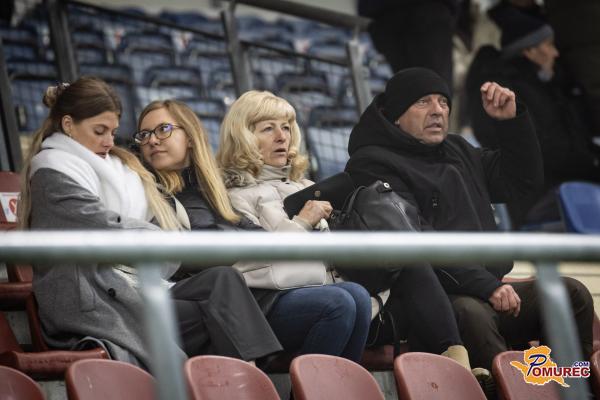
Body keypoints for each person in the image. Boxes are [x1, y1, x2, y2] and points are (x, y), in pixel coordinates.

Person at [18, 77, 280, 369]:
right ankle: (245, 380)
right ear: (68, 125)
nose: (109, 142)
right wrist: (161, 238)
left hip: (133, 285)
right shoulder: (52, 172)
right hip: (94, 298)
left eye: (113, 132)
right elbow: (104, 227)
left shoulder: (118, 169)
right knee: (216, 315)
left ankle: (250, 377)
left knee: (223, 279)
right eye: (99, 131)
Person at [345, 66, 594, 372]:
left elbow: (521, 182)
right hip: (432, 302)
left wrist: (512, 124)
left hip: (489, 288)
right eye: (423, 102)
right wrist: (486, 286)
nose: (437, 111)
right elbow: (418, 239)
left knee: (571, 295)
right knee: (472, 314)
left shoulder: (458, 149)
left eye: (443, 102)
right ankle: (503, 391)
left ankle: (570, 384)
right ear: (396, 115)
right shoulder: (372, 163)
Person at [216, 90, 475, 371]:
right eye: (268, 129)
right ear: (243, 136)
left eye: (287, 127)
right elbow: (248, 264)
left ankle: (451, 359)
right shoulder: (232, 196)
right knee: (342, 301)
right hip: (269, 302)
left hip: (330, 289)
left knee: (385, 274)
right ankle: (312, 388)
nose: (282, 137)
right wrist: (302, 223)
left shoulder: (307, 187)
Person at [136, 98, 367, 363]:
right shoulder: (151, 192)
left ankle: (336, 384)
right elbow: (204, 256)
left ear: (190, 136)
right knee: (338, 304)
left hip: (247, 294)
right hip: (233, 298)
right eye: (144, 134)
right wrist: (300, 224)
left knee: (358, 296)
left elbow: (260, 241)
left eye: (163, 129)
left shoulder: (213, 191)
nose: (152, 140)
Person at [466, 4, 600, 227]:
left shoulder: (550, 87)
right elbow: (548, 151)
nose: (556, 53)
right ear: (529, 51)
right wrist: (593, 164)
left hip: (567, 186)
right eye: (549, 45)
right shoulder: (517, 93)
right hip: (540, 198)